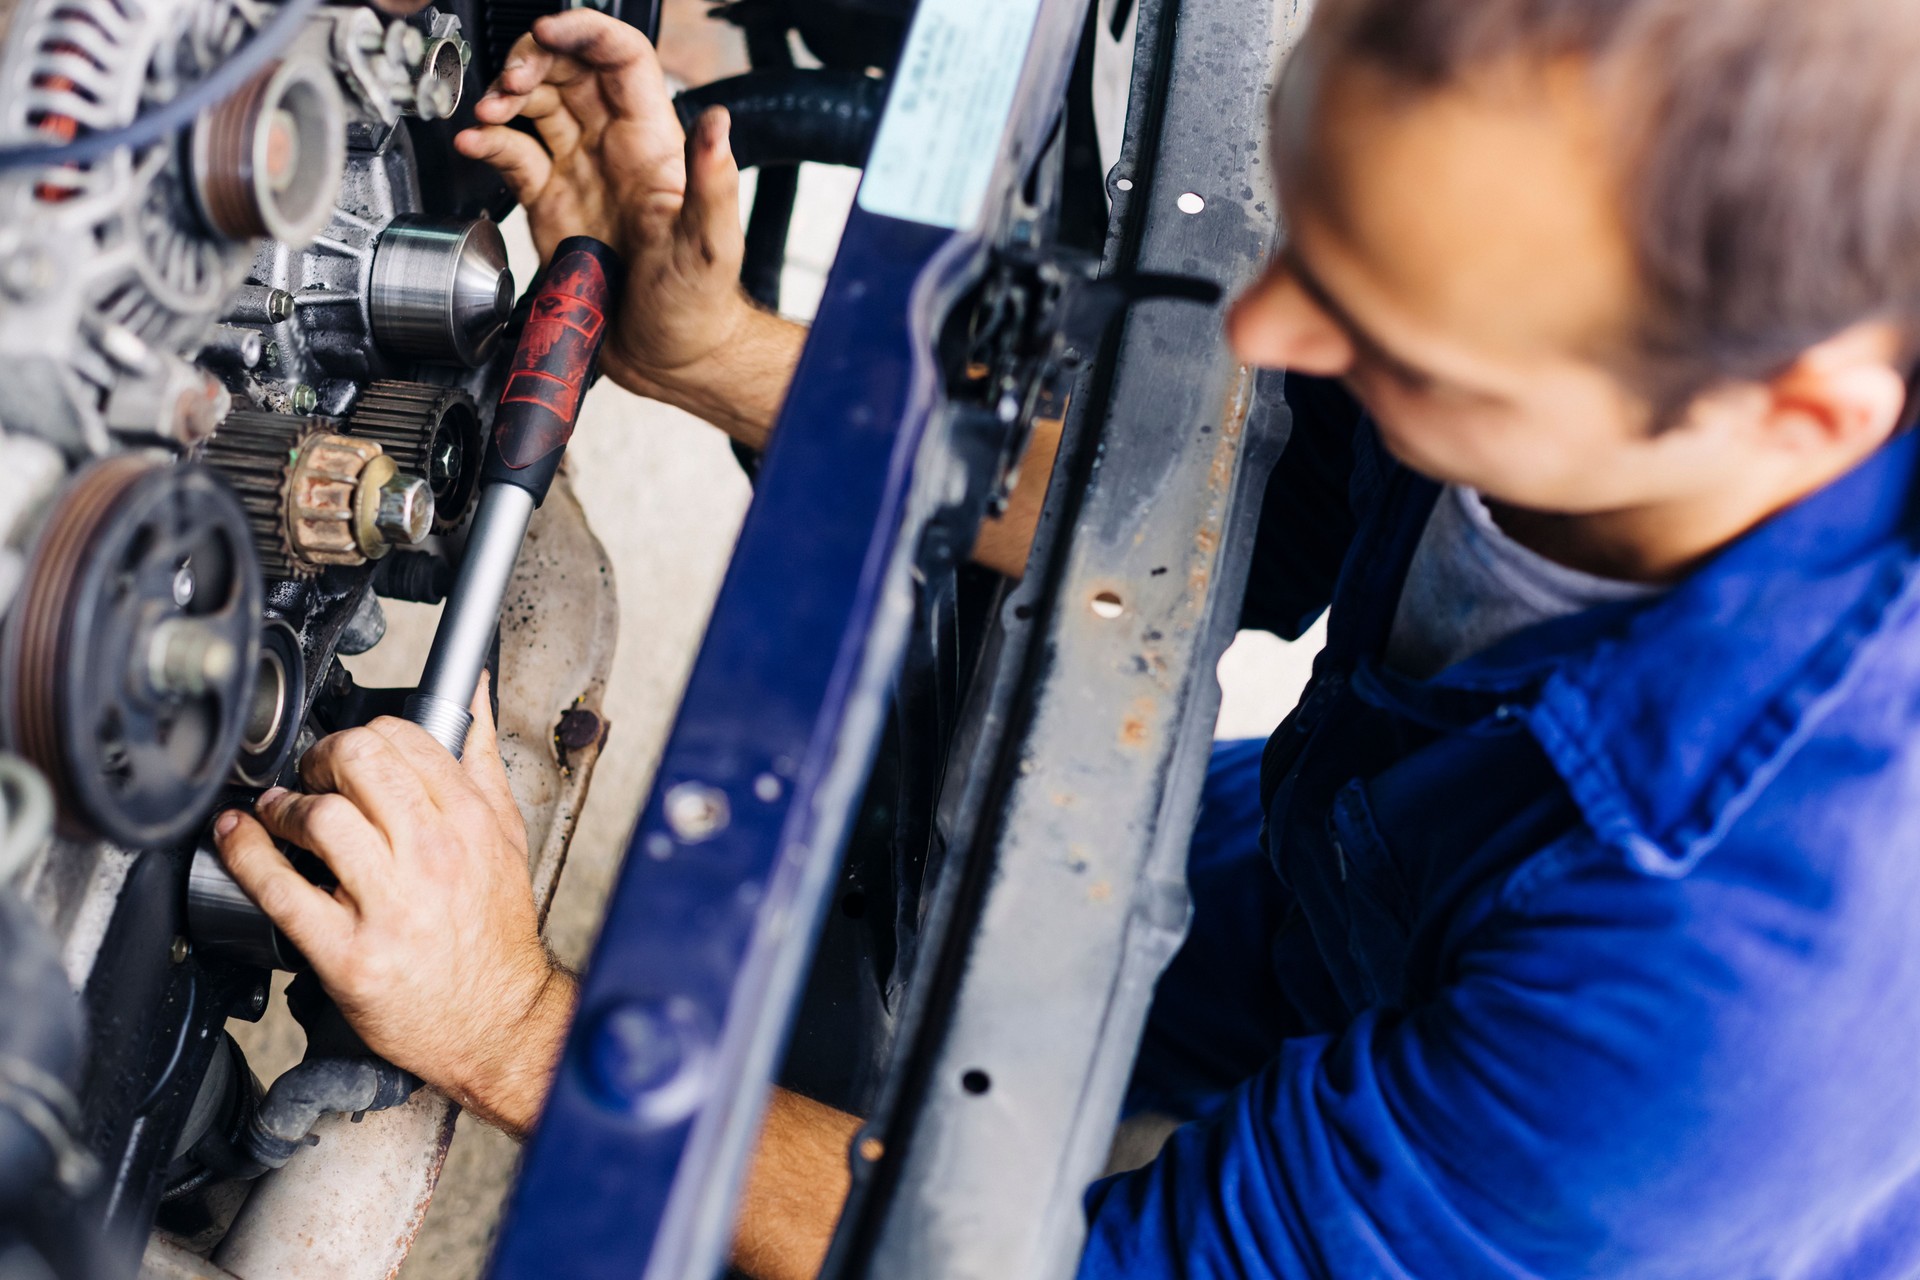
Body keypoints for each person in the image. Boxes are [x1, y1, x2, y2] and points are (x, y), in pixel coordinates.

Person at [214, 0, 1920, 1274]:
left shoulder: (1734, 1000)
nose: (1262, 332)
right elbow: (1229, 528)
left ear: (1793, 417)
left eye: (1400, 341)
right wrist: (724, 355)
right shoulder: (1585, 267)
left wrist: (508, 1022)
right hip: (1350, 861)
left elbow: (1095, 1267)